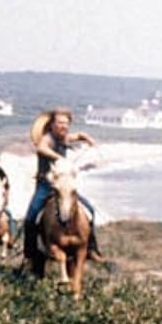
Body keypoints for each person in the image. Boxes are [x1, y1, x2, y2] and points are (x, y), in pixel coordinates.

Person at [21, 107, 104, 267]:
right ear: (52, 124)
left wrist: (86, 138)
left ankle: (92, 249)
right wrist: (60, 158)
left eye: (66, 123)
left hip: (65, 186)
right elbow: (41, 148)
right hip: (46, 185)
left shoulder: (64, 138)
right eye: (59, 123)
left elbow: (77, 136)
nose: (63, 126)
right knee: (31, 218)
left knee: (90, 211)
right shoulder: (48, 138)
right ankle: (30, 252)